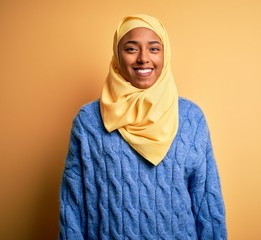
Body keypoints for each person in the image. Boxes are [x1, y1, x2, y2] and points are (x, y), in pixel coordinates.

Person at [59, 14, 227, 239]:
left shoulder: (190, 118)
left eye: (154, 49)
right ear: (117, 56)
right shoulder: (88, 121)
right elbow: (72, 204)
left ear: (165, 54)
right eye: (131, 49)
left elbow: (207, 200)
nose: (143, 58)